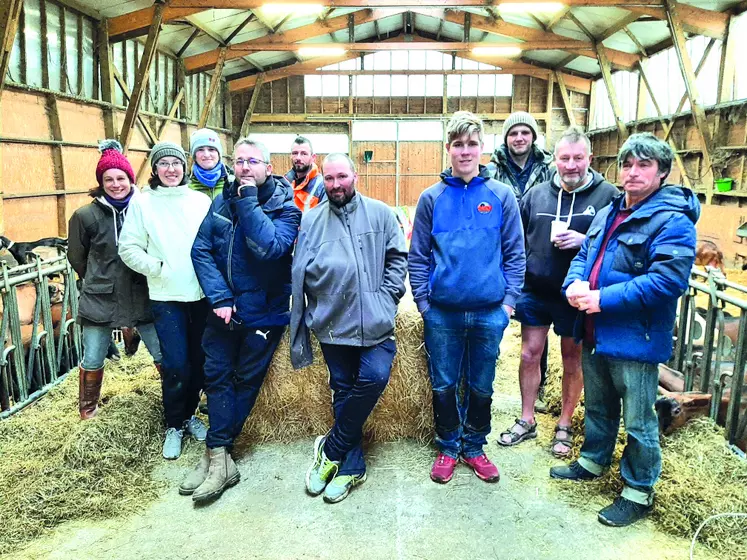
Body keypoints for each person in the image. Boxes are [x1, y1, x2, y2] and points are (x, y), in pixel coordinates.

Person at [550, 132, 699, 527]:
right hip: (595, 330)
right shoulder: (609, 212)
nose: (632, 173)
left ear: (662, 171)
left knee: (638, 420)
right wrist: (573, 286)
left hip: (635, 338)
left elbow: (668, 281)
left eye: (643, 165)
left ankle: (638, 491)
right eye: (627, 164)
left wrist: (603, 298)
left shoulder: (673, 220)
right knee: (598, 406)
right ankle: (593, 460)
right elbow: (583, 257)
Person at [409, 111, 525, 484]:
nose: (465, 151)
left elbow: (515, 254)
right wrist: (424, 303)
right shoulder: (431, 198)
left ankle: (474, 447)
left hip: (490, 312)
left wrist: (507, 303)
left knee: (481, 384)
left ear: (482, 148)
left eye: (471, 144)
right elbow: (418, 255)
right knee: (443, 383)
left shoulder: (501, 196)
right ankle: (447, 447)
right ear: (448, 149)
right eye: (458, 144)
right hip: (442, 313)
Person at [186, 139, 301, 503]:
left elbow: (269, 249)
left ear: (269, 166)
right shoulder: (221, 201)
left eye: (253, 161)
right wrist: (219, 298)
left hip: (263, 313)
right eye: (239, 161)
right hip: (223, 310)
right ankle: (220, 458)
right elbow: (200, 249)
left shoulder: (286, 208)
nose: (245, 168)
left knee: (244, 379)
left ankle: (216, 455)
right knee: (216, 376)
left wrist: (248, 200)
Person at [291, 153, 407, 503]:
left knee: (373, 376)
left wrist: (386, 298)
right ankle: (350, 466)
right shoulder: (312, 220)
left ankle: (331, 448)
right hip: (332, 323)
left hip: (375, 320)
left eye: (342, 176)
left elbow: (397, 258)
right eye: (329, 179)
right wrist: (318, 301)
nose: (336, 184)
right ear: (321, 180)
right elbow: (300, 270)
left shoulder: (381, 214)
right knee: (342, 388)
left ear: (355, 175)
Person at [497, 127, 618, 458]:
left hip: (577, 293)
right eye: (564, 158)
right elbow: (516, 237)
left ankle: (564, 423)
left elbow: (616, 242)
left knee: (571, 357)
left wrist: (585, 241)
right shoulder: (536, 195)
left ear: (590, 159)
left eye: (578, 158)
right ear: (554, 159)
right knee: (528, 353)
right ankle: (526, 418)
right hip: (536, 289)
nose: (571, 165)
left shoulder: (607, 196)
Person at [118, 141, 212, 460]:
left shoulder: (199, 200)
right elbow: (128, 248)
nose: (171, 169)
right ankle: (174, 424)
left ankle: (188, 417)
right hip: (166, 294)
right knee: (175, 364)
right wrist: (157, 268)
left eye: (176, 163)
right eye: (164, 164)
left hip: (201, 294)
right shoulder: (143, 204)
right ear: (155, 170)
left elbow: (213, 241)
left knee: (200, 360)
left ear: (184, 168)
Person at [68, 140, 163, 420]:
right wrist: (98, 278)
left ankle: (176, 403)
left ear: (130, 179)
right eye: (108, 179)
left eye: (121, 177)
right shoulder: (85, 216)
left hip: (143, 293)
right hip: (101, 297)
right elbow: (77, 257)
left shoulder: (145, 208)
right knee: (94, 355)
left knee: (161, 352)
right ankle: (88, 409)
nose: (115, 184)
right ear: (100, 182)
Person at [488, 111, 555, 411]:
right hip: (501, 251)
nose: (519, 138)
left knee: (537, 324)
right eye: (513, 133)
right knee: (493, 313)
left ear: (533, 136)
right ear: (506, 138)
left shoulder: (548, 167)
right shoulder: (492, 169)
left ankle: (537, 390)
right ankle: (486, 374)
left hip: (538, 250)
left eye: (524, 133)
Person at [188, 128, 232, 201]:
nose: (206, 155)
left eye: (211, 149)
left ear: (219, 154)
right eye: (200, 150)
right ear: (194, 155)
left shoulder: (233, 184)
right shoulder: (185, 187)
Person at [285, 136, 326, 212]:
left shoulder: (322, 187)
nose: (298, 158)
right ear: (290, 156)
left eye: (304, 154)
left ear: (313, 157)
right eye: (295, 153)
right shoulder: (285, 183)